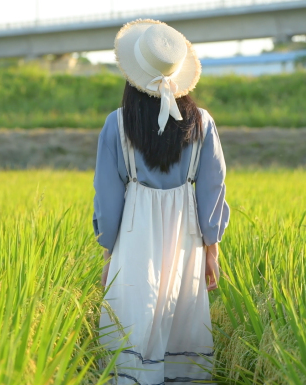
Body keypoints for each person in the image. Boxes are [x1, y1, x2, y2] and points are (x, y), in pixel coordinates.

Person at [93, 19, 230, 384]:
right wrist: (211, 249)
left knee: (135, 318)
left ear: (133, 76)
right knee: (181, 318)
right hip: (185, 237)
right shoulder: (202, 123)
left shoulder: (117, 124)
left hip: (136, 234)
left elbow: (107, 200)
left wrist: (109, 253)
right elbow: (212, 191)